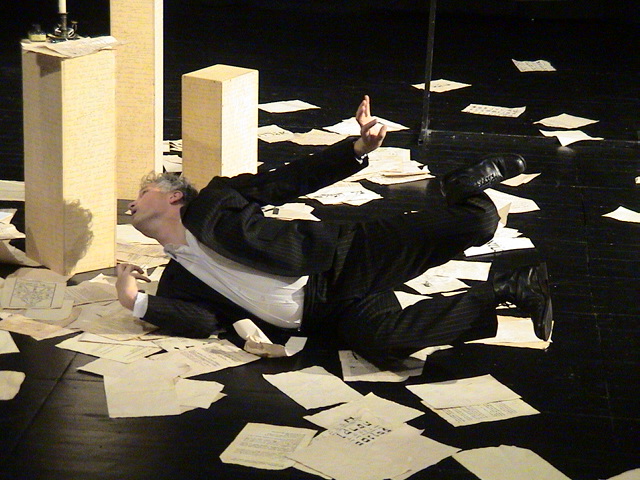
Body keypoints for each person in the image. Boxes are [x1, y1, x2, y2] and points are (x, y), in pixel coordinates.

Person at [116, 95, 552, 367]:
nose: (132, 202)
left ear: (175, 196)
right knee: (382, 343)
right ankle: (509, 288)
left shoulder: (215, 202)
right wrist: (134, 300)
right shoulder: (177, 279)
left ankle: (460, 188)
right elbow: (203, 321)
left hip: (342, 262)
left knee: (478, 222)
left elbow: (287, 180)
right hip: (327, 314)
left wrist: (356, 148)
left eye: (143, 192)